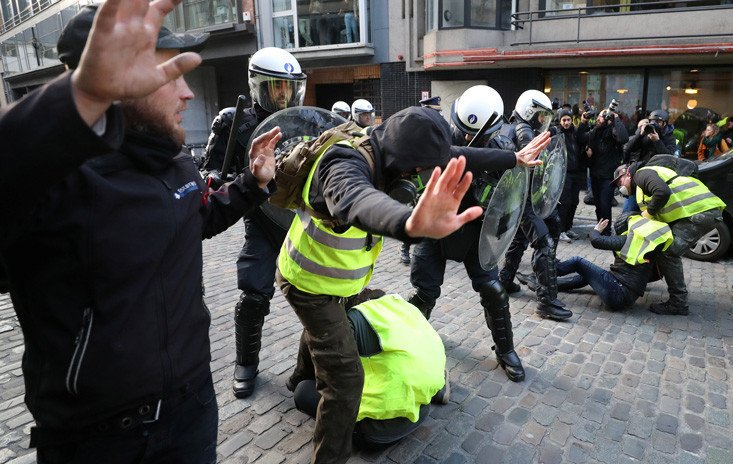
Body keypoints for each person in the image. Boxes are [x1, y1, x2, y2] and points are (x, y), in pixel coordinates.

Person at [0, 1, 281, 461]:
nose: (188, 94)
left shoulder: (175, 162)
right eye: (171, 76)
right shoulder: (48, 179)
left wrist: (253, 184)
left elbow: (199, 217)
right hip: (97, 439)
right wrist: (73, 107)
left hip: (192, 409)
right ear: (113, 79)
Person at [276, 105, 552, 463]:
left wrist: (513, 157)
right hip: (310, 284)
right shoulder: (341, 164)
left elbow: (459, 154)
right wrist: (409, 223)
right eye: (419, 175)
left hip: (339, 281)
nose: (420, 183)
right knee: (345, 383)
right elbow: (355, 199)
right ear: (403, 168)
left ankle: (299, 375)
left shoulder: (389, 145)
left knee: (326, 331)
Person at [409, 85, 542, 383]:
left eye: (474, 134)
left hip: (475, 231)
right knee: (424, 292)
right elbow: (447, 159)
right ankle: (406, 343)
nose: (468, 138)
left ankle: (506, 349)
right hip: (435, 227)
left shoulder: (504, 146)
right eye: (463, 131)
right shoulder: (442, 135)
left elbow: (511, 199)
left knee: (493, 290)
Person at [203, 47, 307, 399]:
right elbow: (210, 170)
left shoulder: (305, 120)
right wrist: (225, 180)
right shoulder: (234, 121)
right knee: (253, 294)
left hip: (301, 222)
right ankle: (245, 362)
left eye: (289, 87)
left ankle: (310, 368)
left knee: (323, 296)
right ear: (259, 85)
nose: (283, 94)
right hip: (261, 220)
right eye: (276, 87)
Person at [293, 292, 448, 449]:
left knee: (303, 391)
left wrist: (297, 379)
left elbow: (331, 378)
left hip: (378, 431)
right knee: (389, 360)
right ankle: (438, 387)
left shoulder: (350, 322)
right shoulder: (397, 306)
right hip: (422, 409)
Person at [613, 161, 725, 315]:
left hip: (699, 211)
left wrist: (649, 212)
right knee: (662, 246)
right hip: (698, 212)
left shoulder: (641, 174)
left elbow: (662, 192)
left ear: (628, 174)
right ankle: (644, 282)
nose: (621, 187)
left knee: (668, 252)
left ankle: (678, 303)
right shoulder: (641, 189)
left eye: (620, 181)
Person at [498, 89, 571, 322]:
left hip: (523, 198)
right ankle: (546, 302)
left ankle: (505, 281)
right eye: (540, 116)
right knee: (544, 242)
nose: (542, 121)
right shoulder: (523, 130)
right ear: (529, 111)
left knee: (520, 240)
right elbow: (535, 163)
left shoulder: (519, 128)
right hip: (522, 198)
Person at [558, 214, 671, 311]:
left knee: (577, 262)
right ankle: (554, 284)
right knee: (587, 275)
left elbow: (597, 241)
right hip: (625, 296)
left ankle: (547, 271)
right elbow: (656, 275)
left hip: (617, 292)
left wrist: (596, 230)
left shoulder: (628, 240)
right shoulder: (651, 246)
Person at [400, 95, 444, 266]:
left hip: (433, 174)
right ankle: (405, 247)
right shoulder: (416, 129)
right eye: (435, 112)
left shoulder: (438, 129)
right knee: (415, 212)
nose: (438, 116)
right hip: (418, 177)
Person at [587, 107, 629, 234]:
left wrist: (615, 118)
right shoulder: (595, 131)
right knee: (598, 205)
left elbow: (623, 138)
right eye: (600, 116)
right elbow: (584, 138)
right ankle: (600, 228)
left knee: (605, 205)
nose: (601, 118)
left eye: (604, 116)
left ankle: (606, 232)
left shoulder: (613, 132)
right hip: (595, 174)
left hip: (608, 177)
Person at [551, 108, 587, 243]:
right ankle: (559, 231)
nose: (566, 122)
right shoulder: (556, 132)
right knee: (564, 203)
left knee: (574, 202)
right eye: (564, 120)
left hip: (576, 173)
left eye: (569, 120)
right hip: (563, 173)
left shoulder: (575, 133)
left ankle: (567, 228)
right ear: (560, 120)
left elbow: (583, 139)